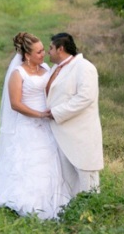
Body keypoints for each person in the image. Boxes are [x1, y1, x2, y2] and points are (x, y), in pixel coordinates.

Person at [0, 32, 77, 220]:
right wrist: (39, 114)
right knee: (31, 163)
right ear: (27, 55)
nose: (43, 54)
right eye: (38, 52)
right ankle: (28, 203)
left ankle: (55, 201)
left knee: (50, 161)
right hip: (28, 124)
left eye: (44, 50)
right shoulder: (18, 74)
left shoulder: (46, 68)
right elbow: (16, 104)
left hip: (47, 124)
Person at [45, 32, 104, 195]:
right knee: (68, 180)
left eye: (50, 48)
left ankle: (93, 212)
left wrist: (56, 112)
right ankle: (73, 214)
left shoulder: (85, 67)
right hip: (61, 132)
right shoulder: (55, 69)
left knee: (87, 177)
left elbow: (86, 98)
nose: (47, 52)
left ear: (60, 49)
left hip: (80, 132)